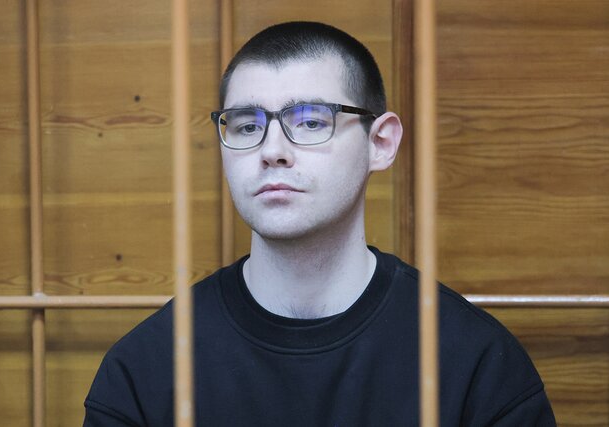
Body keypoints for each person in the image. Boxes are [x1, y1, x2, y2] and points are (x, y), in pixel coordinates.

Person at [83, 21, 556, 426]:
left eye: (310, 121)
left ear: (380, 143)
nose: (272, 151)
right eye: (247, 125)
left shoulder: (474, 363)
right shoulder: (146, 368)